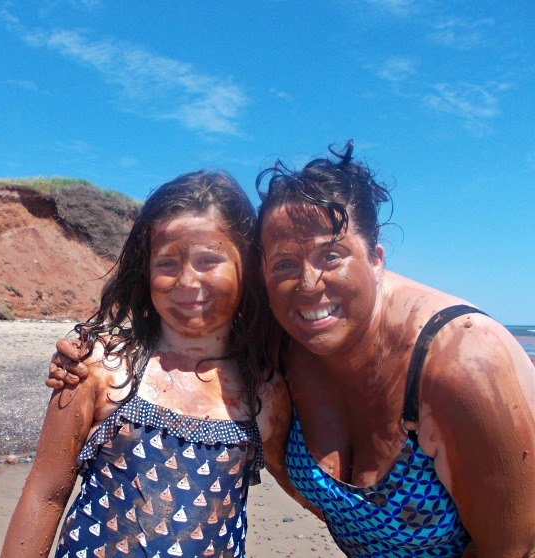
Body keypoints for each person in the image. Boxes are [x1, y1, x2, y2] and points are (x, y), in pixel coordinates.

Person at [48, 142, 535, 557]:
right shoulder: (282, 338)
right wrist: (90, 350)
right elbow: (190, 316)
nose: (308, 284)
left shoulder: (463, 364)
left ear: (377, 257)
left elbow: (516, 548)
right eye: (283, 263)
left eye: (331, 255)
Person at [1, 171, 293, 558]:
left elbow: (306, 487)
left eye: (209, 261)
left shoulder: (265, 391)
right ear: (146, 270)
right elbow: (45, 493)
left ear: (248, 268)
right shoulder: (99, 368)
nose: (188, 282)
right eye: (168, 263)